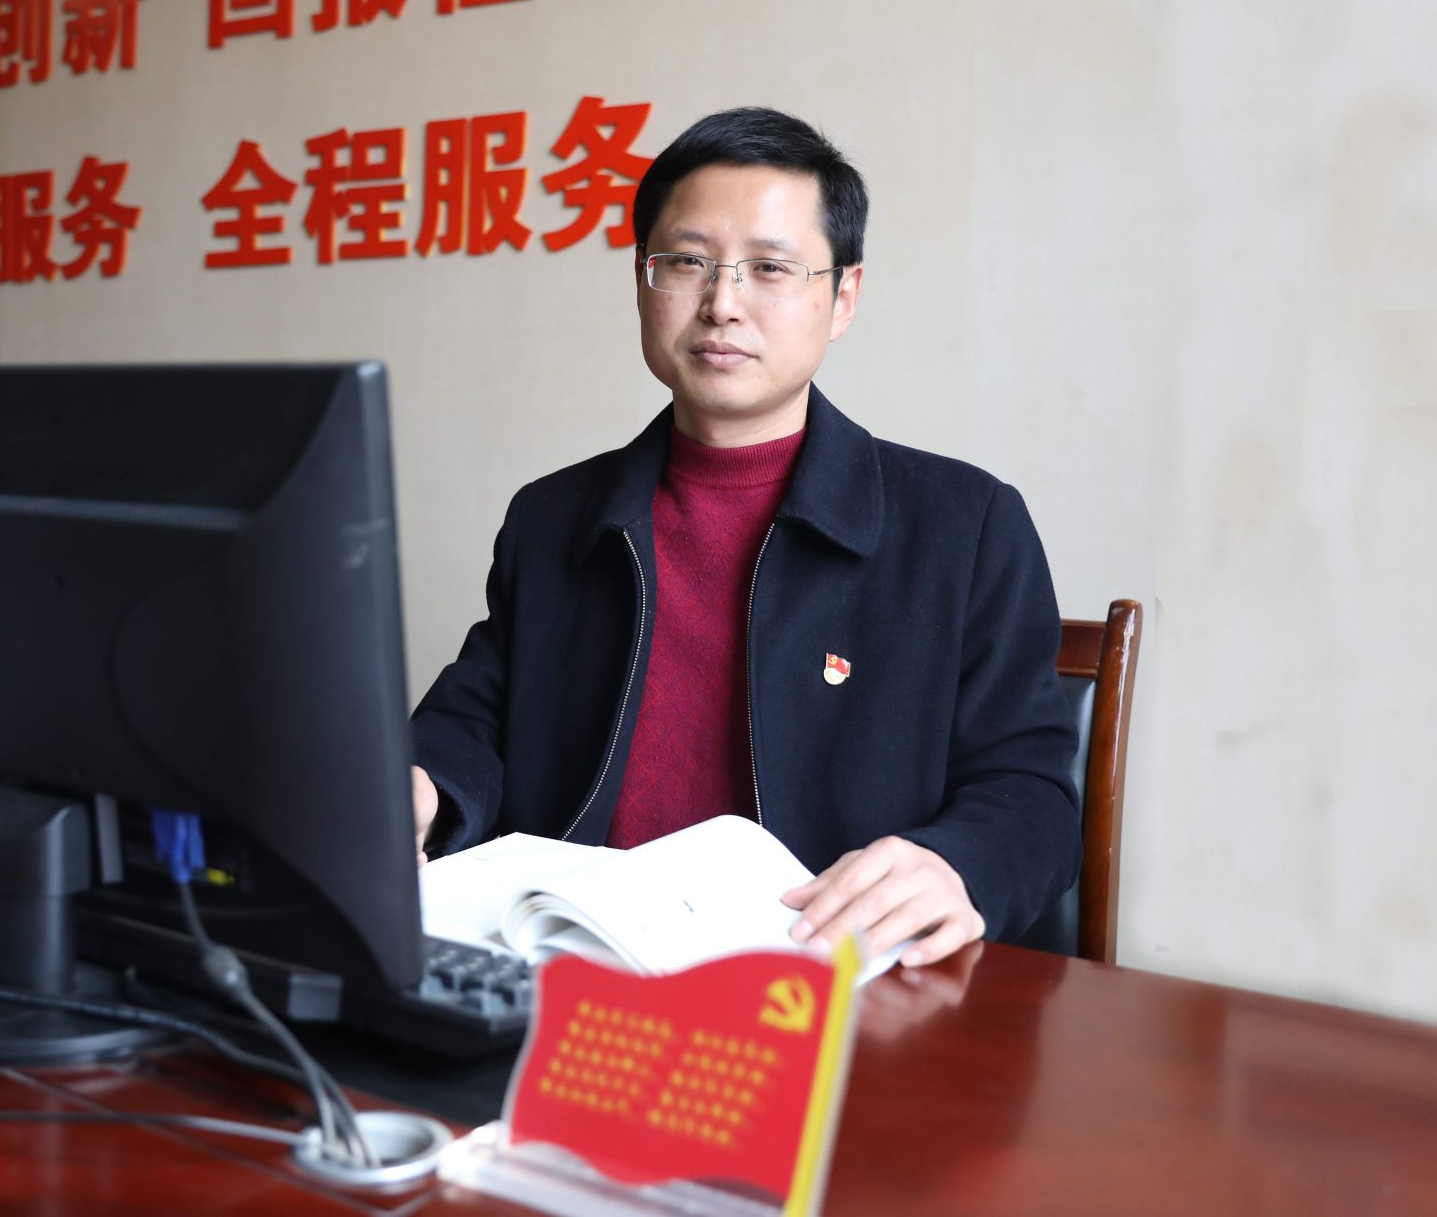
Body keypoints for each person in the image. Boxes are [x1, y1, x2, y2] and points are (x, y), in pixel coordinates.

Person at [409, 107, 1079, 968]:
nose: (721, 304)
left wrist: (956, 864)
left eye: (769, 268)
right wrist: (419, 786)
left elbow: (1032, 796)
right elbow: (475, 719)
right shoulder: (553, 517)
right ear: (643, 283)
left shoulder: (964, 524)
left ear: (843, 297)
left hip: (825, 976)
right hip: (569, 961)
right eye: (687, 262)